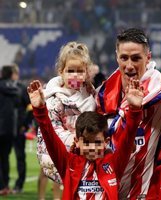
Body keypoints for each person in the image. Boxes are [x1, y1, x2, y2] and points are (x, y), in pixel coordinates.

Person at [95, 28, 161, 199]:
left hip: (139, 193)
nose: (129, 66)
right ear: (116, 57)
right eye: (124, 58)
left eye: (136, 58)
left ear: (148, 57)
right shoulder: (103, 95)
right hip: (104, 192)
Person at [27, 78, 143, 199]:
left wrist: (134, 110)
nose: (92, 147)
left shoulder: (113, 163)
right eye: (86, 142)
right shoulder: (68, 163)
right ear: (76, 141)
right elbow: (50, 138)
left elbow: (128, 138)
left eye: (97, 142)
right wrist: (40, 110)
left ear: (106, 142)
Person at [37, 41, 96, 185]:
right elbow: (52, 129)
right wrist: (75, 141)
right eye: (70, 71)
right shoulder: (53, 98)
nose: (75, 75)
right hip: (60, 155)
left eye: (80, 71)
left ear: (86, 73)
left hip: (86, 155)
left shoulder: (90, 95)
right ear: (61, 71)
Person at [10, 64, 30, 194]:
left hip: (18, 128)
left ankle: (19, 184)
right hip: (6, 128)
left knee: (20, 157)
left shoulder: (22, 89)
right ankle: (4, 184)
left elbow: (30, 107)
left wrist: (25, 125)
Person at [0, 65, 20, 195]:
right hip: (10, 128)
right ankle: (6, 185)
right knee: (5, 158)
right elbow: (20, 105)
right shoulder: (17, 88)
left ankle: (1, 186)